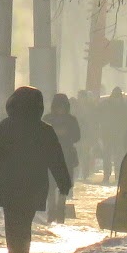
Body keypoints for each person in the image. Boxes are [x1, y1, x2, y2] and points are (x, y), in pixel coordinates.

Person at [0, 86, 73, 253]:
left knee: (12, 224)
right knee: (25, 223)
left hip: (8, 185)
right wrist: (64, 182)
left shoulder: (4, 128)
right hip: (34, 187)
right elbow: (56, 160)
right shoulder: (45, 131)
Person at [44, 93, 81, 221]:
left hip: (67, 157)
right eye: (58, 106)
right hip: (50, 156)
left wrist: (67, 134)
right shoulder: (47, 119)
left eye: (63, 106)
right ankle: (51, 209)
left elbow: (77, 136)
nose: (60, 109)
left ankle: (61, 208)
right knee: (50, 184)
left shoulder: (71, 120)